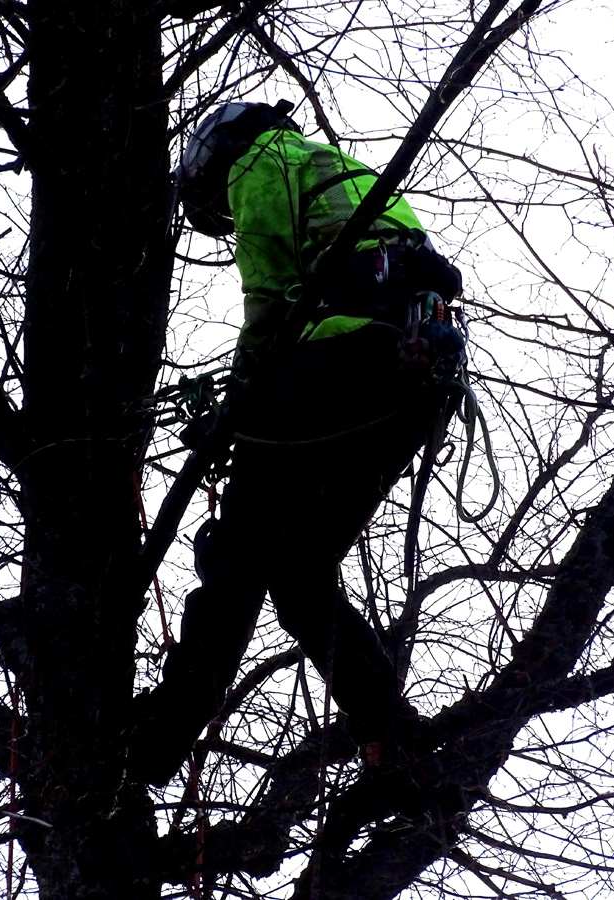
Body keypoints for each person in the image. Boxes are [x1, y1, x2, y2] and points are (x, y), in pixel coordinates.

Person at [129, 100, 465, 786]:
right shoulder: (343, 173)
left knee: (241, 551)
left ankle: (160, 733)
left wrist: (240, 405)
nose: (223, 217)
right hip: (405, 381)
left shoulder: (257, 163)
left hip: (331, 363)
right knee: (301, 574)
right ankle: (392, 741)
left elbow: (270, 302)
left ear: (214, 153)